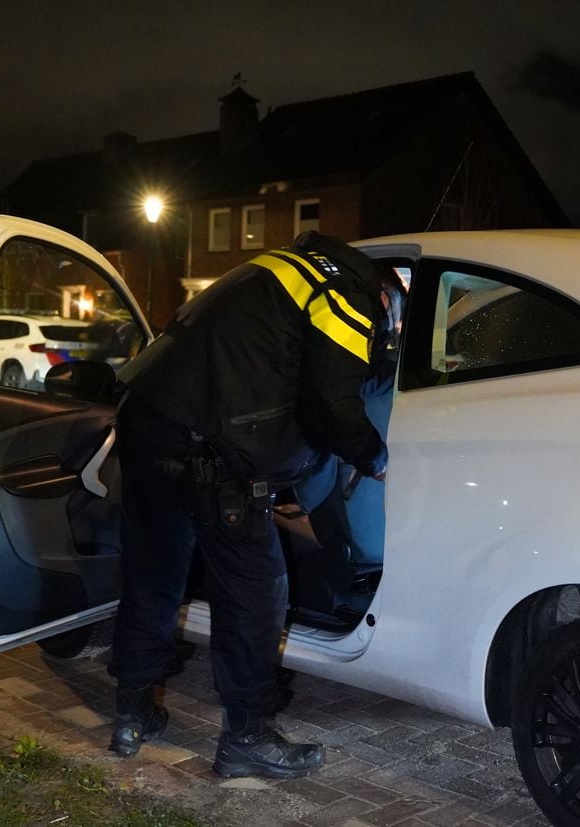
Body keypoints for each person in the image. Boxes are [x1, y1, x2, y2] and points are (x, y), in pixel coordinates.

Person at [107, 231, 394, 779]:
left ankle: (132, 715)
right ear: (384, 294)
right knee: (256, 594)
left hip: (147, 426)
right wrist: (374, 457)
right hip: (214, 453)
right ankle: (248, 739)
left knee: (153, 577)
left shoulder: (278, 268)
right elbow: (333, 403)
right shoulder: (344, 293)